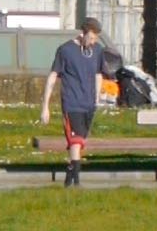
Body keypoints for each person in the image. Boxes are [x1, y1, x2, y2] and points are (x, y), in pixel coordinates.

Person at [41, 19, 112, 187]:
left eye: (96, 39)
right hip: (72, 103)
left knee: (79, 144)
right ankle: (77, 182)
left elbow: (98, 73)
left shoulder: (97, 51)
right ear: (84, 33)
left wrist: (97, 96)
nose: (93, 42)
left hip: (89, 104)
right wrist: (45, 106)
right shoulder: (65, 50)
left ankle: (70, 171)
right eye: (92, 38)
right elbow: (52, 77)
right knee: (76, 140)